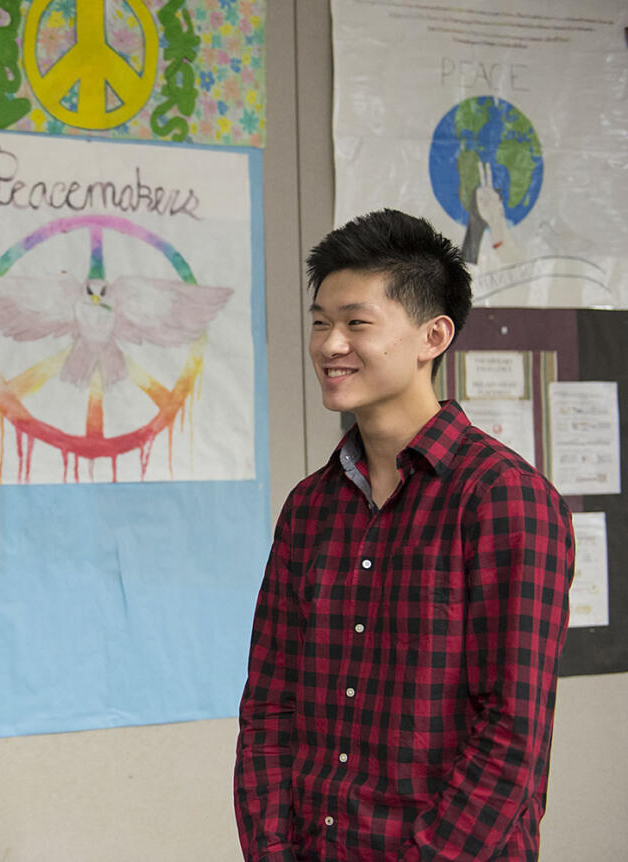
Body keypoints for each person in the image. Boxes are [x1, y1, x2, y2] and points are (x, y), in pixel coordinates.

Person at [234, 209, 574, 861]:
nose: (331, 345)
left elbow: (512, 738)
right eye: (320, 323)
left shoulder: (505, 500)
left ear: (432, 336)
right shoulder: (310, 508)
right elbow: (268, 707)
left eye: (357, 323)